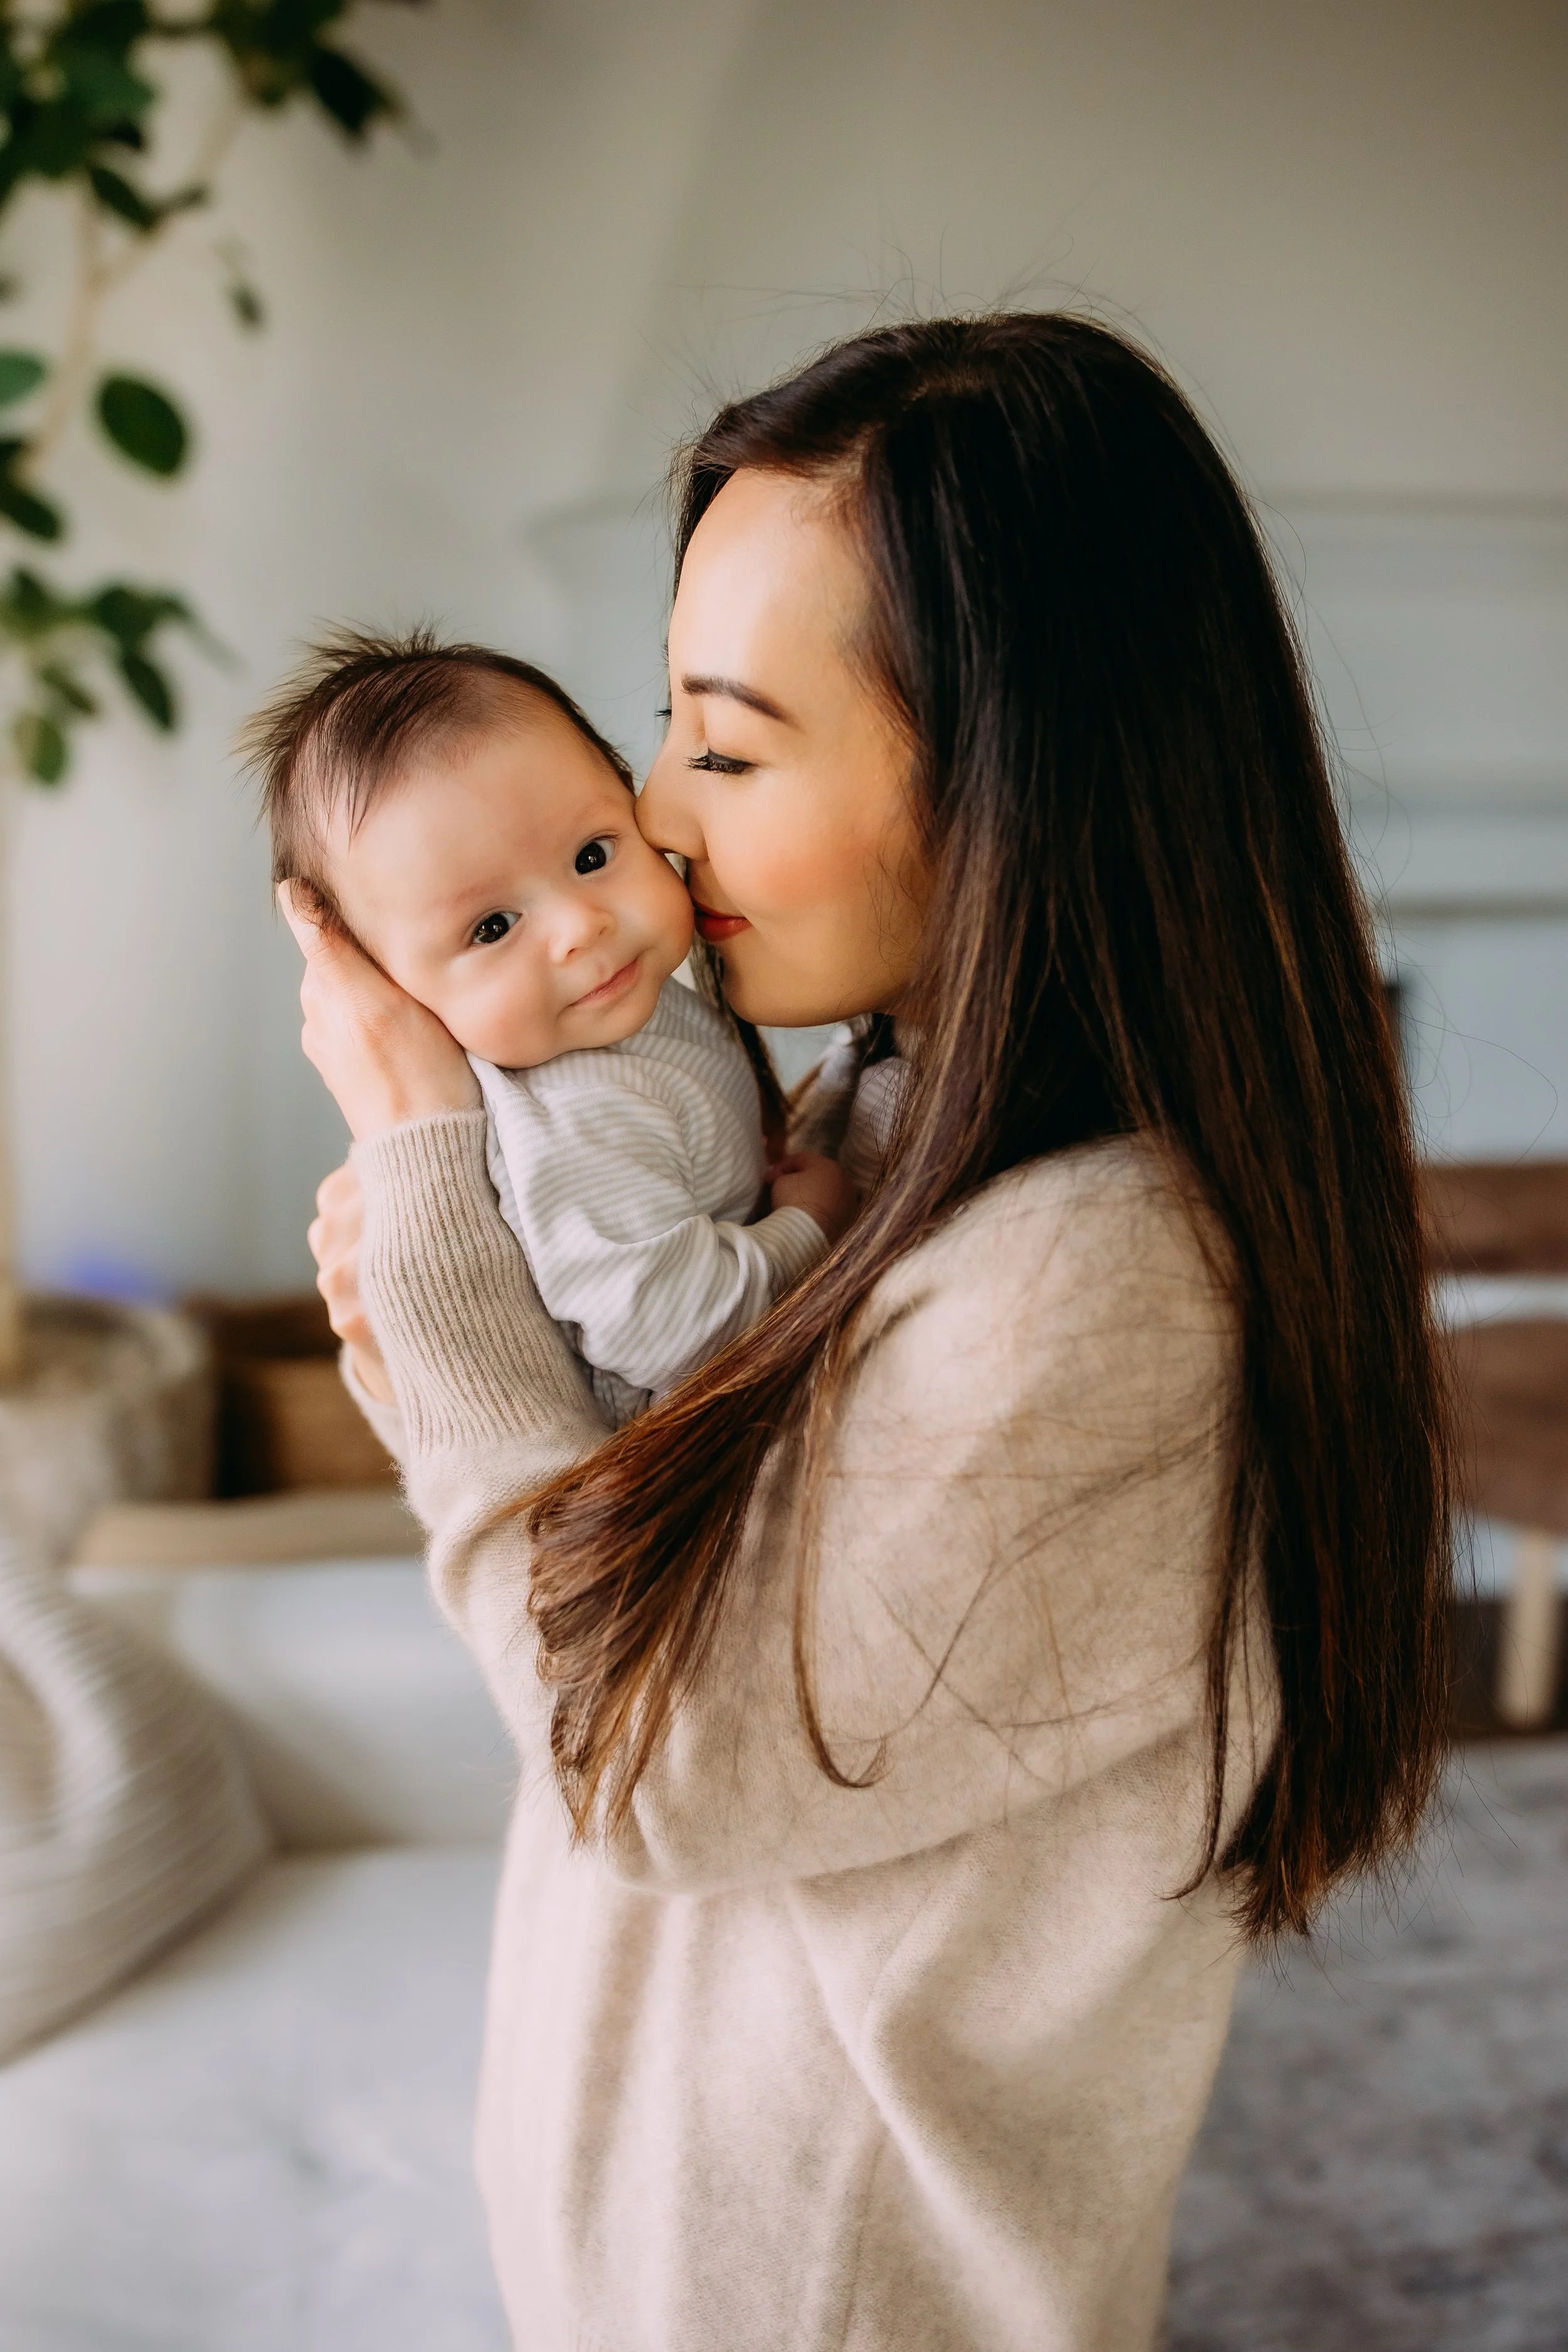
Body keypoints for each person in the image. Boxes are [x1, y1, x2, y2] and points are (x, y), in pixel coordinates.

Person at [283, 313, 1450, 2352]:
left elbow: (637, 1768)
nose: (652, 818)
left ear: (1016, 780)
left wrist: (432, 1206)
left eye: (724, 749)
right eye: (662, 725)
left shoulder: (1097, 1285)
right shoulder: (891, 1105)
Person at [251, 632, 853, 1426]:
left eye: (593, 854)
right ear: (388, 991)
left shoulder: (614, 1027)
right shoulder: (576, 1110)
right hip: (671, 1465)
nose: (579, 926)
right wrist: (809, 1231)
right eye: (493, 926)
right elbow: (678, 1332)